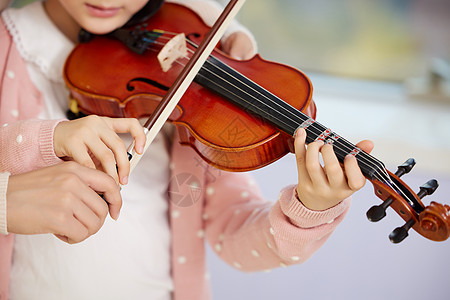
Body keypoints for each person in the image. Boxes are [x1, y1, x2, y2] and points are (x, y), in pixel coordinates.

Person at [0, 1, 373, 300]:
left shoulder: (186, 48)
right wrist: (48, 139)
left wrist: (309, 208)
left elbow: (233, 231)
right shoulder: (11, 47)